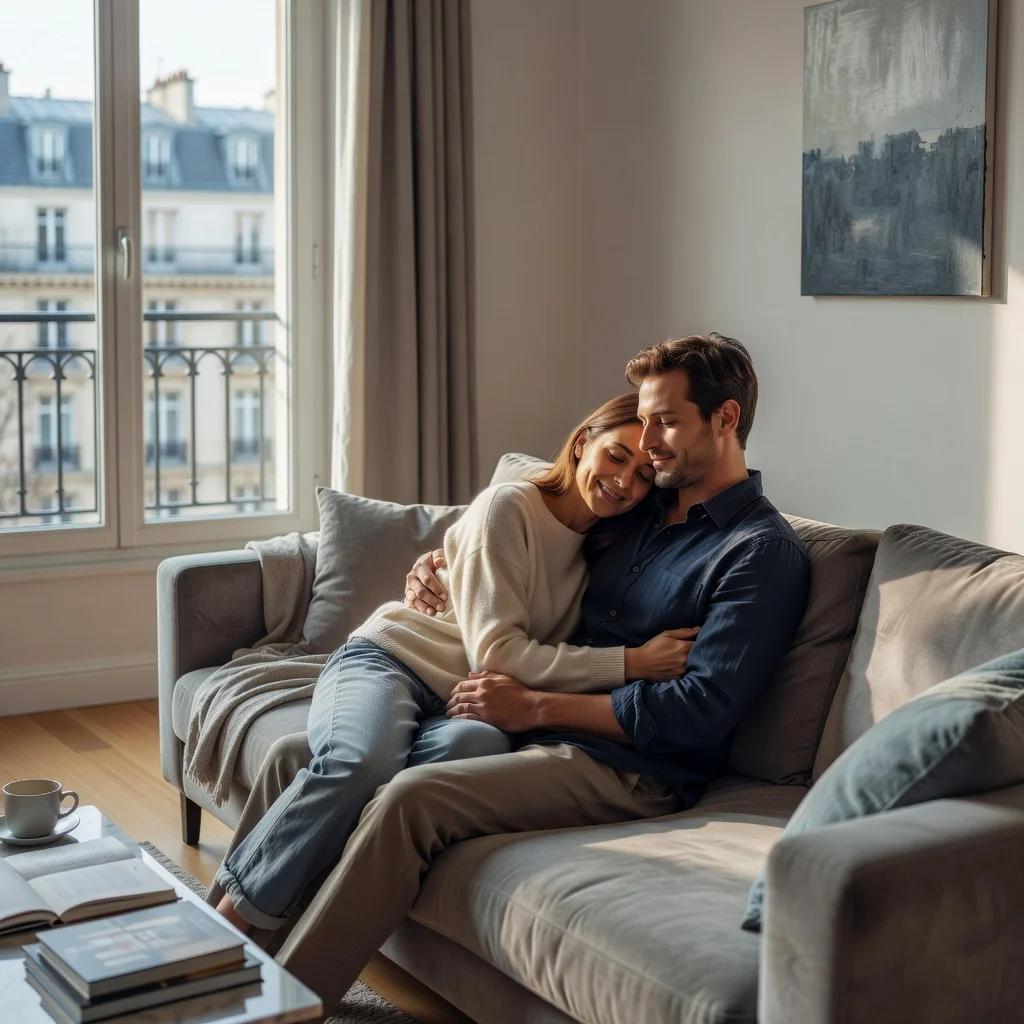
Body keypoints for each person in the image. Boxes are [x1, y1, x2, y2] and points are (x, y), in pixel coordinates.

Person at [254, 333, 812, 1016]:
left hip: (627, 765)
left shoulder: (760, 554)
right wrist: (442, 567)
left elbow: (697, 711)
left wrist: (537, 708)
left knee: (412, 801)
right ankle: (235, 934)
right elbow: (527, 537)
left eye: (667, 420)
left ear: (726, 420)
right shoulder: (642, 510)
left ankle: (282, 1003)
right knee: (310, 753)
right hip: (532, 719)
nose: (652, 443)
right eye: (645, 419)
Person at [212, 392, 700, 934]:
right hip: (391, 661)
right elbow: (498, 653)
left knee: (476, 749)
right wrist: (631, 663)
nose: (624, 483)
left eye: (641, 474)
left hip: (466, 704)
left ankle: (328, 789)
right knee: (360, 764)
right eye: (616, 456)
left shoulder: (615, 547)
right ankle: (227, 926)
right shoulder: (510, 506)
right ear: (583, 442)